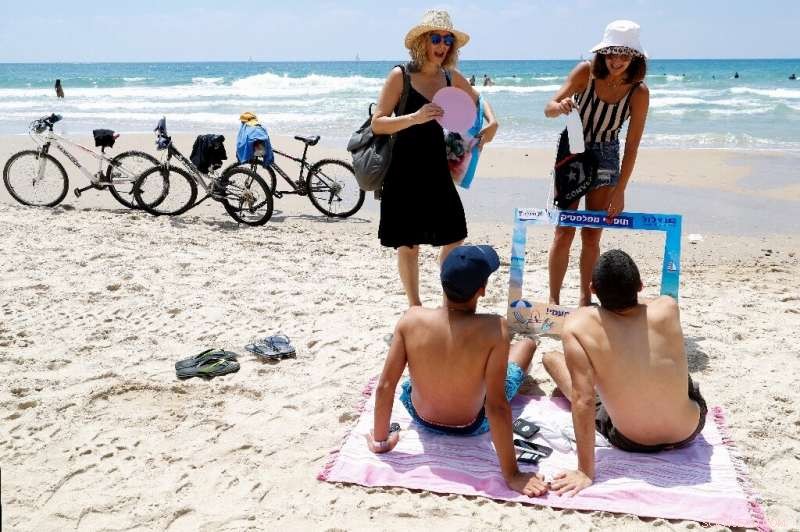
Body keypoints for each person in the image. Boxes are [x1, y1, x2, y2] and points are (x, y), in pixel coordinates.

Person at [368, 244, 547, 497]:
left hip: (419, 414)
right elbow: (496, 406)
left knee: (416, 378)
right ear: (482, 290)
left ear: (442, 282)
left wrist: (380, 439)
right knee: (526, 345)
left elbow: (385, 386)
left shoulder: (411, 318)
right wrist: (512, 474)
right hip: (471, 424)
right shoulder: (496, 328)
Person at [541, 250, 707, 496]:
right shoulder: (668, 308)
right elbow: (644, 306)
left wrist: (585, 471)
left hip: (632, 440)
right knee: (674, 373)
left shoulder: (578, 325)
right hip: (689, 429)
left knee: (551, 358)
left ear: (593, 289)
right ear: (640, 286)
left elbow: (583, 400)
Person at [371, 10, 499, 307]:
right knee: (408, 244)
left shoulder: (450, 77)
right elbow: (378, 123)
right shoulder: (400, 76)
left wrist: (493, 122)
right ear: (422, 42)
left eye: (448, 40)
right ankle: (414, 306)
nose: (443, 45)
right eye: (436, 38)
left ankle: (447, 301)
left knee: (455, 235)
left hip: (437, 170)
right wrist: (414, 117)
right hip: (402, 171)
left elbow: (479, 100)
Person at [544, 19, 650, 307]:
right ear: (603, 53)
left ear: (635, 57)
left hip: (607, 154)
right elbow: (548, 108)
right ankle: (554, 300)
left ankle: (584, 299)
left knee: (591, 234)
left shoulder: (638, 92)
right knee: (564, 229)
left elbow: (632, 145)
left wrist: (620, 188)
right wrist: (561, 106)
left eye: (624, 54)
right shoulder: (585, 73)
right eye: (612, 53)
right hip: (573, 150)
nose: (617, 61)